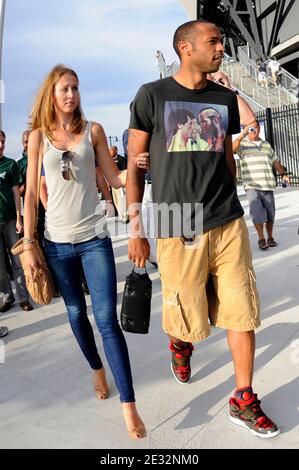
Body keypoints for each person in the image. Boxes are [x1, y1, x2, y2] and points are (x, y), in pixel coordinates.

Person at [127, 20, 280, 438]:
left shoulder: (225, 98)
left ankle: (243, 398)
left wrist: (231, 198)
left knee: (241, 309)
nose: (222, 47)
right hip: (177, 218)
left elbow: (228, 156)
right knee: (186, 315)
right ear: (184, 47)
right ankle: (180, 344)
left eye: (221, 41)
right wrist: (136, 226)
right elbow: (133, 165)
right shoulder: (151, 96)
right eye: (213, 41)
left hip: (226, 219)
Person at [23, 64, 146, 439]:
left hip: (94, 239)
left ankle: (129, 405)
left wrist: (138, 165)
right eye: (64, 88)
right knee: (76, 314)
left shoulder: (92, 131)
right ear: (52, 93)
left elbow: (113, 179)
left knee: (107, 320)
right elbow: (30, 194)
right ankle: (96, 367)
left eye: (75, 88)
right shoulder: (38, 138)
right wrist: (29, 243)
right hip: (56, 245)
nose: (71, 94)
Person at [233, 120, 289, 250]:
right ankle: (261, 238)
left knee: (270, 214)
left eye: (256, 127)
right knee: (257, 213)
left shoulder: (266, 144)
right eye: (251, 128)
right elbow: (231, 149)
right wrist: (242, 134)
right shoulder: (243, 143)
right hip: (252, 185)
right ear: (246, 129)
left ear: (259, 128)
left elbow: (275, 161)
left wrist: (283, 174)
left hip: (267, 184)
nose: (254, 130)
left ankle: (270, 236)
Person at [0, 130, 33, 313]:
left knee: (18, 263)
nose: (0, 145)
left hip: (11, 221)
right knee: (0, 267)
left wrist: (19, 218)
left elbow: (15, 193)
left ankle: (23, 298)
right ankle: (7, 296)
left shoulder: (10, 164)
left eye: (3, 142)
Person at [109, 146, 128, 223]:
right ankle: (120, 215)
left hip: (121, 183)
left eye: (112, 151)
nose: (110, 152)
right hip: (113, 183)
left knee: (122, 199)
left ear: (116, 151)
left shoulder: (121, 159)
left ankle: (125, 215)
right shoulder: (110, 161)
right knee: (116, 200)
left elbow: (125, 170)